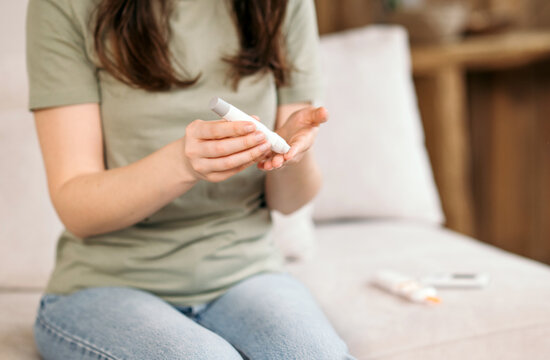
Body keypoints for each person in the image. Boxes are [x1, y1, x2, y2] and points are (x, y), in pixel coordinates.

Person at [27, 0, 355, 358]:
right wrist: (182, 165)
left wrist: (289, 154)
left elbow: (289, 201)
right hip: (105, 285)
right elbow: (76, 208)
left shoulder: (282, 5)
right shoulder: (62, 6)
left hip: (246, 274)